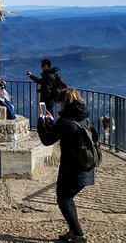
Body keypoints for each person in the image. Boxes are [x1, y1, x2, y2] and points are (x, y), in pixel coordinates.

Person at [37, 88, 93, 243]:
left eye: (60, 102)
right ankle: (73, 232)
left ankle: (79, 236)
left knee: (63, 201)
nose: (59, 105)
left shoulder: (65, 121)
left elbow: (47, 140)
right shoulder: (83, 118)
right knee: (68, 199)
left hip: (72, 169)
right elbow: (70, 133)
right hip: (86, 166)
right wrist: (53, 123)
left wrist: (41, 122)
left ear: (64, 102)